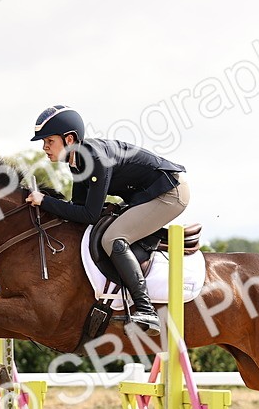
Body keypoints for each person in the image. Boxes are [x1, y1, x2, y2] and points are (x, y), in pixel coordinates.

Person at [25, 105, 188, 337]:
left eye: (49, 141)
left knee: (113, 238)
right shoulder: (78, 161)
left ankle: (146, 310)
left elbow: (89, 215)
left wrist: (45, 201)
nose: (45, 147)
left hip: (169, 194)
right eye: (44, 142)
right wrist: (46, 205)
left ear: (69, 139)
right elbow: (77, 208)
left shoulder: (94, 160)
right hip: (147, 195)